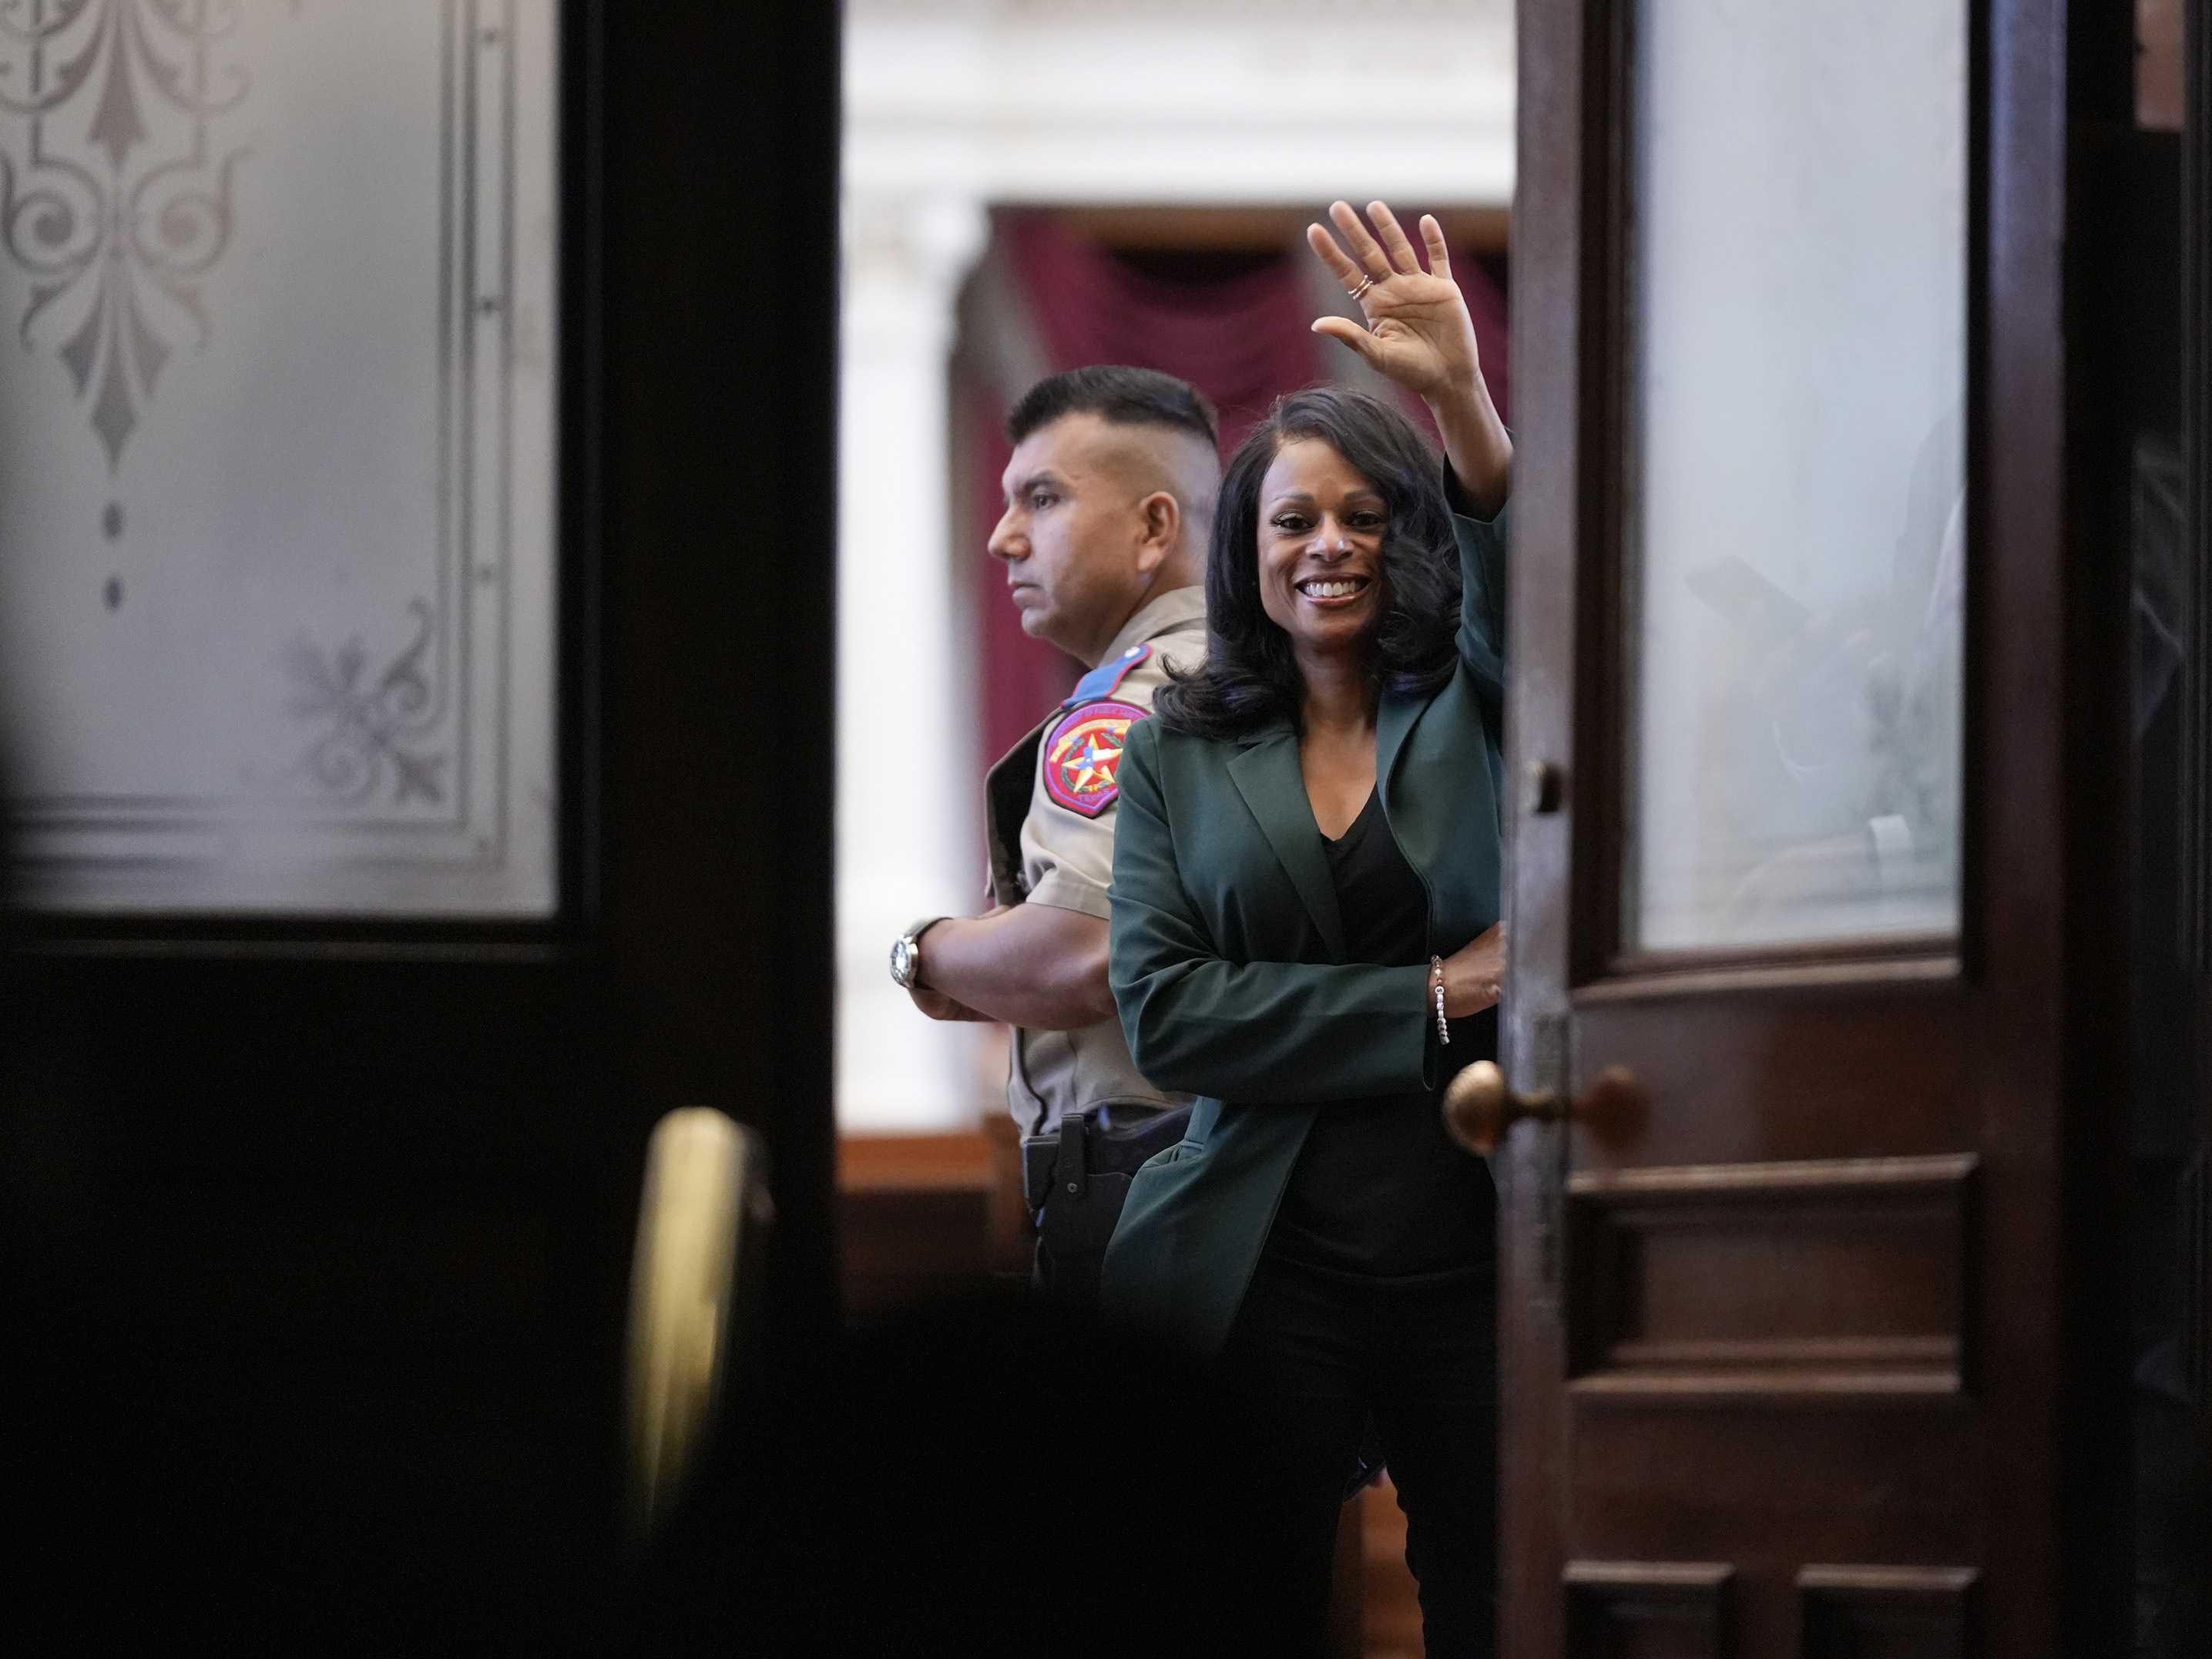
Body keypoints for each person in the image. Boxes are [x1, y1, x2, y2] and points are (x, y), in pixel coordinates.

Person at [1101, 201, 1512, 1657]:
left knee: (1499, 1601)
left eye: (1363, 513)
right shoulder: (1173, 750)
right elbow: (1171, 1014)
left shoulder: (1477, 696)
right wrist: (1435, 996)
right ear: (1247, 552)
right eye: (1293, 519)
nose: (1328, 545)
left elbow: (1519, 565)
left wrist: (1457, 390)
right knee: (1244, 1603)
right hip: (1265, 1248)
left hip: (1480, 1241)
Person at [890, 365, 1219, 1301]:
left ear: (1155, 526)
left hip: (1145, 1189)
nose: (1004, 538)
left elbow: (1080, 955)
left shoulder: (1143, 702)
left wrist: (926, 951)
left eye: (1043, 496)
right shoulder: (1254, 668)